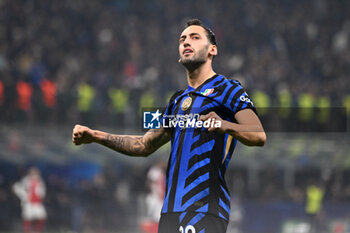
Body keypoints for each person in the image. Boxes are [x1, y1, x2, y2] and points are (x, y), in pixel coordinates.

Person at [72, 19, 266, 233]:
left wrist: (225, 125)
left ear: (213, 50)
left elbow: (258, 135)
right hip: (170, 213)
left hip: (204, 208)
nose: (186, 42)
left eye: (194, 37)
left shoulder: (229, 89)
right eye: (182, 39)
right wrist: (95, 136)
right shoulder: (175, 102)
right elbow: (144, 144)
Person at [13, 167, 47, 233]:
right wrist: (23, 195)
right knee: (27, 217)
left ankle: (38, 230)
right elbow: (18, 187)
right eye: (33, 173)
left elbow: (42, 190)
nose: (35, 174)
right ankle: (27, 231)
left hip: (37, 202)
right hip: (28, 203)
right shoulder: (26, 180)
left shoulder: (40, 180)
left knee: (42, 216)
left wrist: (42, 195)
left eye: (36, 173)